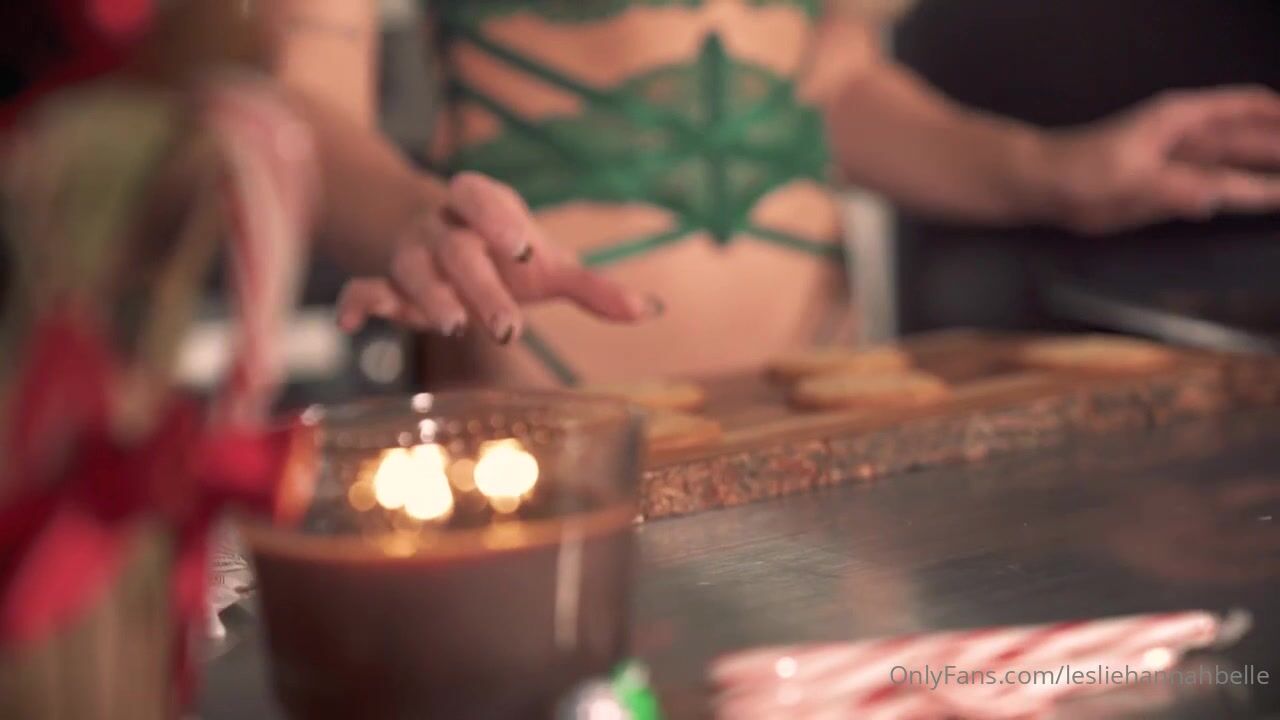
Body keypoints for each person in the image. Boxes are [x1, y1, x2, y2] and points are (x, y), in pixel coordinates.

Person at [269, 0, 1280, 386]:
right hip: (542, 409)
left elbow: (820, 87)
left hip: (815, 397)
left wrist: (1051, 173)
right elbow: (297, 107)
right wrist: (409, 220)